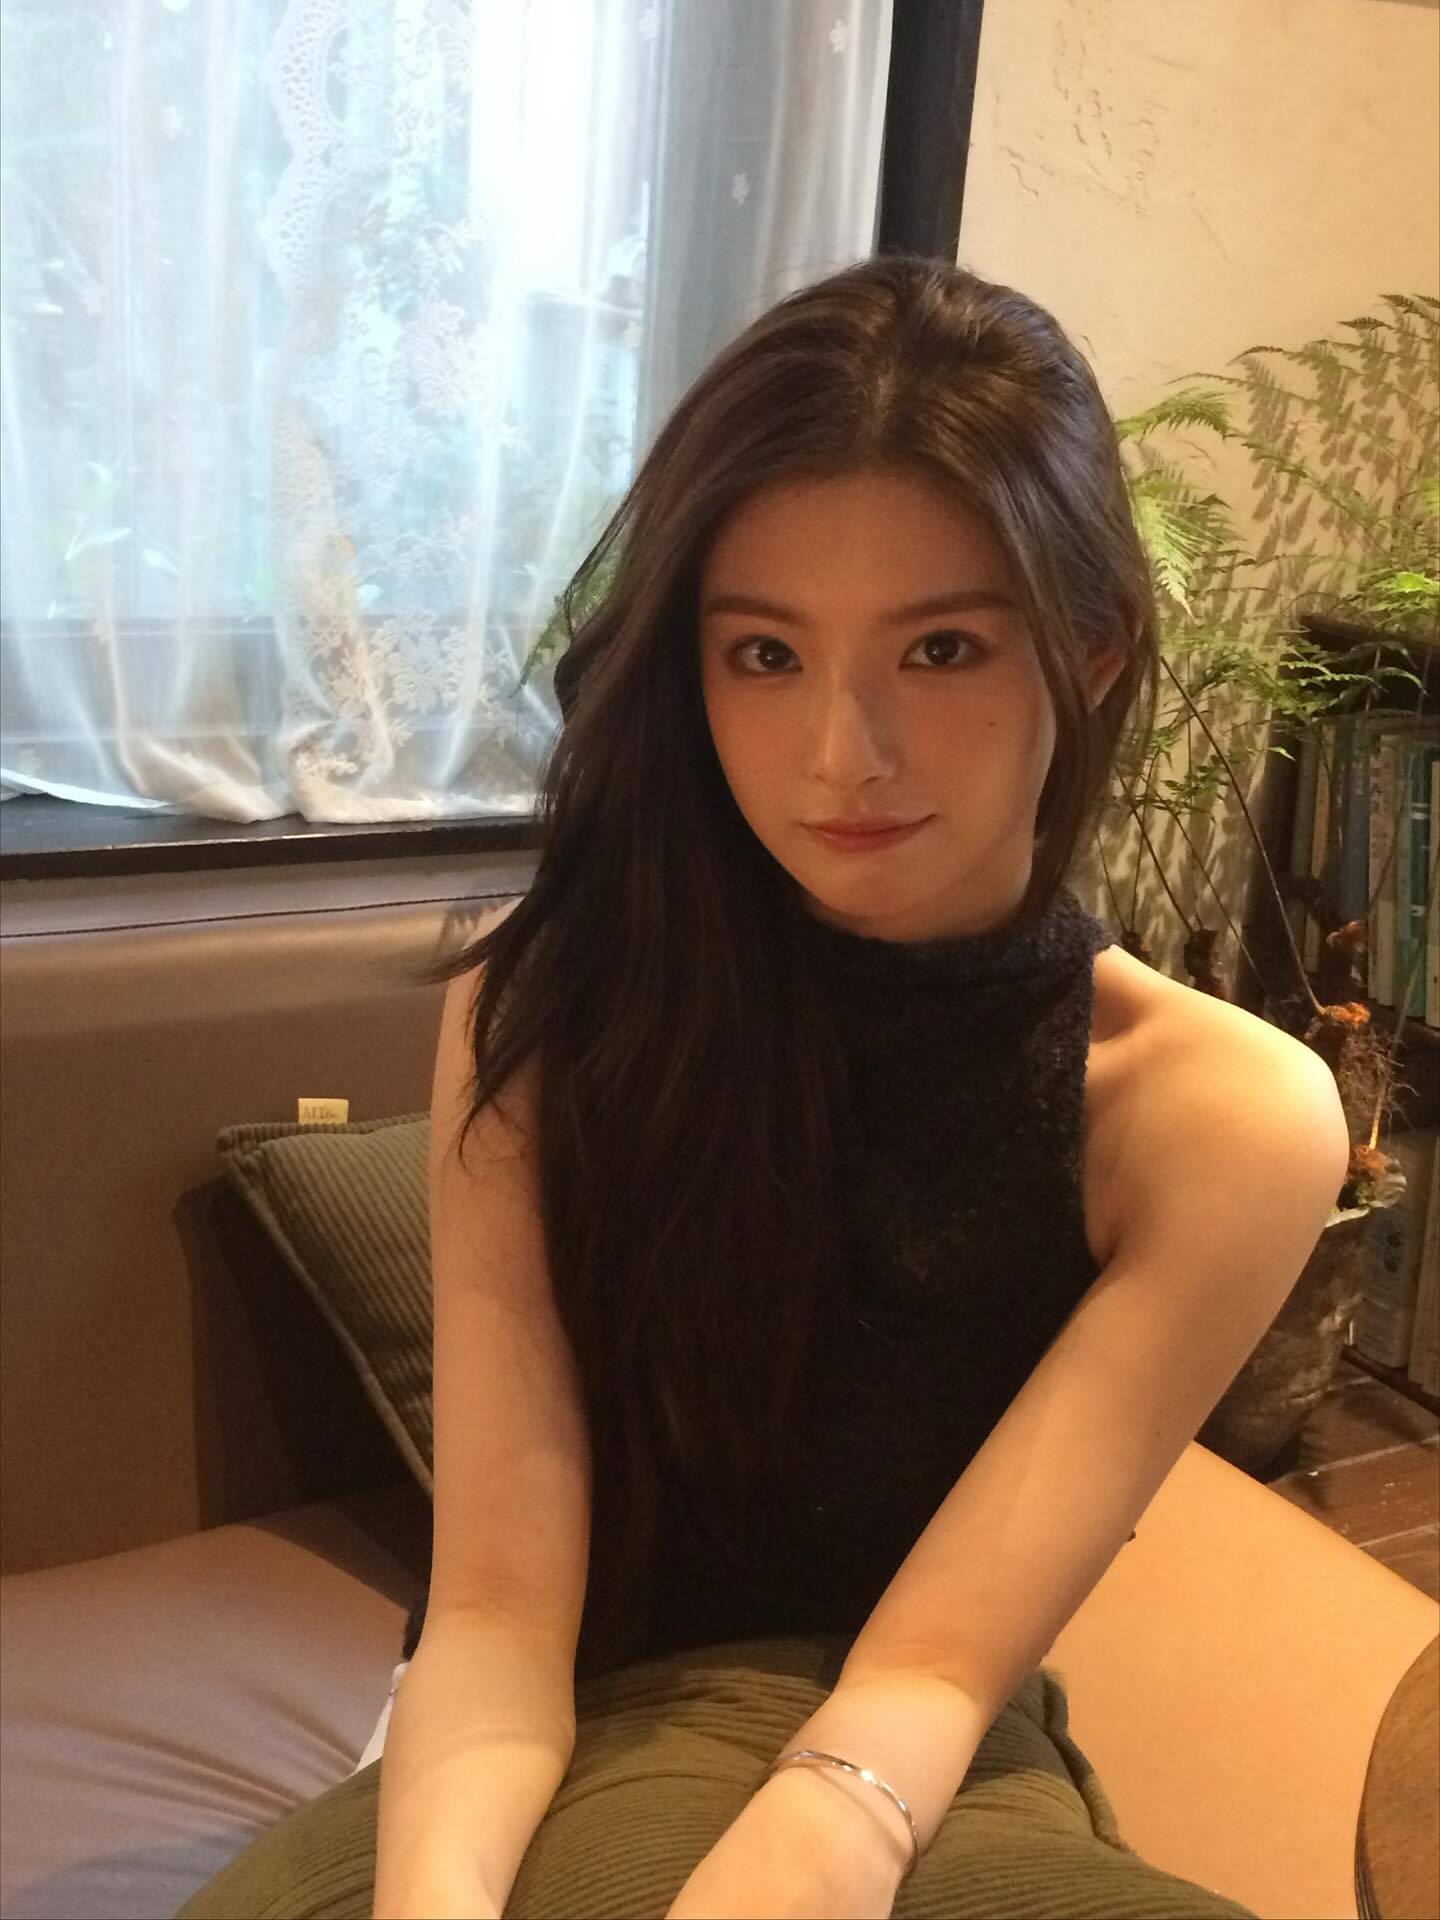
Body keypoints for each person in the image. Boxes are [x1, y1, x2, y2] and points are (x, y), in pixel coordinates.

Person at [179, 254, 1348, 1920]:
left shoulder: (1215, 1116)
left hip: (907, 1749)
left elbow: (929, 1674)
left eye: (940, 648)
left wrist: (805, 1851)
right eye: (766, 656)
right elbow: (499, 1619)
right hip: (532, 1723)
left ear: (1092, 650)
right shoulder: (555, 1007)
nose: (841, 753)